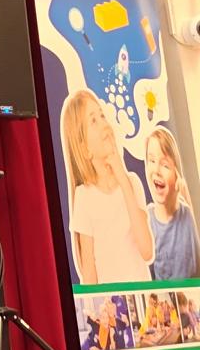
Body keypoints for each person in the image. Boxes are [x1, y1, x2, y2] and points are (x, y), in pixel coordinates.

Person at [62, 89, 154, 283]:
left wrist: (122, 177)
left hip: (142, 297)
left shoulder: (132, 183)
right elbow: (89, 271)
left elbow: (146, 250)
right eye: (93, 121)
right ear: (85, 149)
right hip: (111, 300)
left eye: (102, 115)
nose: (103, 123)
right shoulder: (84, 197)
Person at [145, 127, 199, 282]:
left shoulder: (186, 215)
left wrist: (185, 195)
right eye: (152, 161)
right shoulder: (147, 220)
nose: (156, 170)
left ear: (176, 174)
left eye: (165, 165)